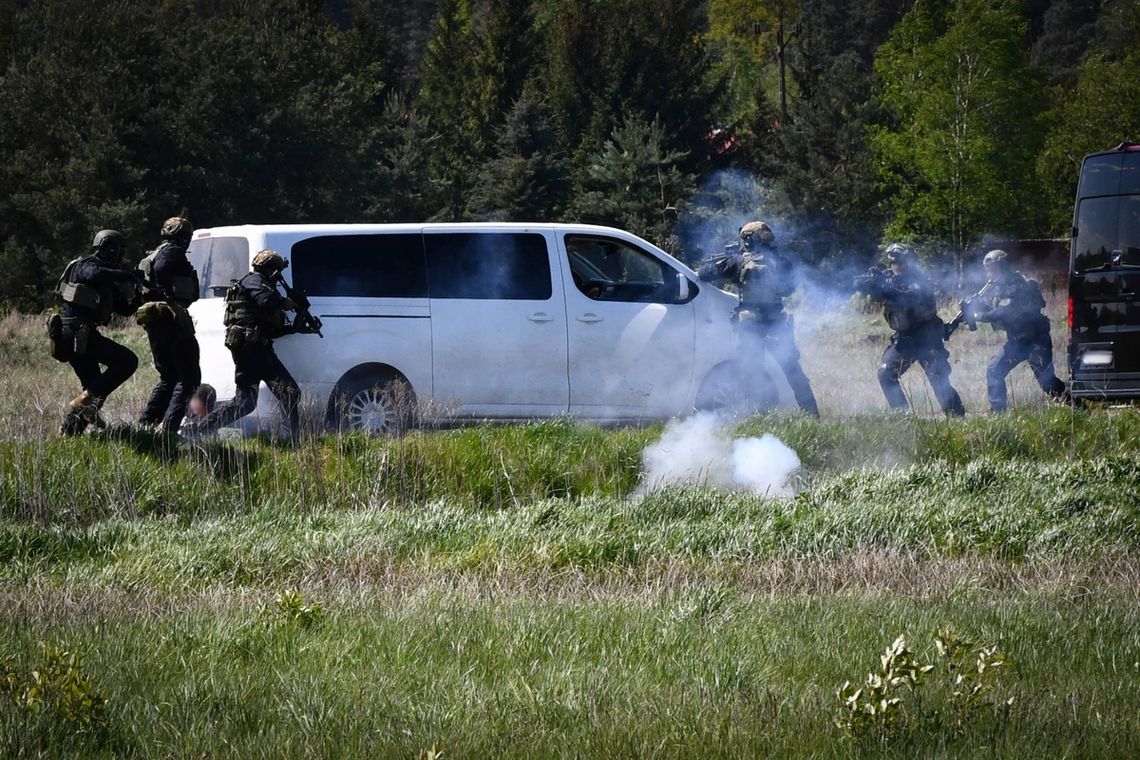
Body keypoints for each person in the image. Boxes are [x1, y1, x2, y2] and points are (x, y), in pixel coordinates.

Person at [697, 221, 819, 415]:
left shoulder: (737, 260)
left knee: (753, 372)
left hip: (751, 324)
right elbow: (789, 290)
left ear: (747, 240)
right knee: (794, 373)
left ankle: (757, 417)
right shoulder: (782, 262)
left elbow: (703, 274)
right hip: (777, 323)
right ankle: (813, 416)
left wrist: (728, 259)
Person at [187, 250, 302, 439]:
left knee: (290, 392)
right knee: (245, 402)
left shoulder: (262, 285)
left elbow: (266, 324)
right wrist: (286, 303)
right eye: (277, 270)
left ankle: (292, 437)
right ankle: (200, 430)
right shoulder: (254, 281)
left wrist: (294, 327)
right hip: (249, 351)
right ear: (270, 269)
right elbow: (266, 301)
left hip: (262, 350)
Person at [854, 243, 965, 416]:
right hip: (905, 339)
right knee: (886, 374)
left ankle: (957, 418)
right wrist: (867, 283)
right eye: (894, 263)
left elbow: (906, 298)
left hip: (927, 337)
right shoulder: (888, 277)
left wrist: (885, 287)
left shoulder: (919, 280)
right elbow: (863, 286)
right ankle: (903, 417)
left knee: (938, 380)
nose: (898, 266)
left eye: (902, 262)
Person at [49, 229, 142, 435]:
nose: (120, 256)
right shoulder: (85, 265)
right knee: (128, 361)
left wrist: (139, 292)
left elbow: (124, 309)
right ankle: (82, 404)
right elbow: (92, 274)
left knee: (94, 390)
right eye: (119, 251)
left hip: (78, 335)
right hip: (75, 332)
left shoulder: (105, 279)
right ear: (107, 247)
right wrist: (125, 274)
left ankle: (69, 433)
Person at [969, 249, 1067, 411]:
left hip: (1036, 341)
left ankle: (1079, 406)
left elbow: (1004, 311)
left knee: (1047, 384)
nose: (989, 274)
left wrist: (978, 315)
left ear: (1002, 267)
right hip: (1017, 343)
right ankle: (998, 415)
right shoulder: (1000, 287)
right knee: (994, 370)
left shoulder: (1017, 285)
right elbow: (996, 310)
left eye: (991, 270)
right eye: (987, 270)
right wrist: (973, 308)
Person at [136, 216, 202, 432]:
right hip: (171, 322)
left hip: (157, 323)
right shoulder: (172, 252)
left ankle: (146, 426)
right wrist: (169, 299)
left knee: (169, 377)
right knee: (190, 377)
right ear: (183, 237)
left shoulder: (154, 253)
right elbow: (164, 271)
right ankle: (170, 430)